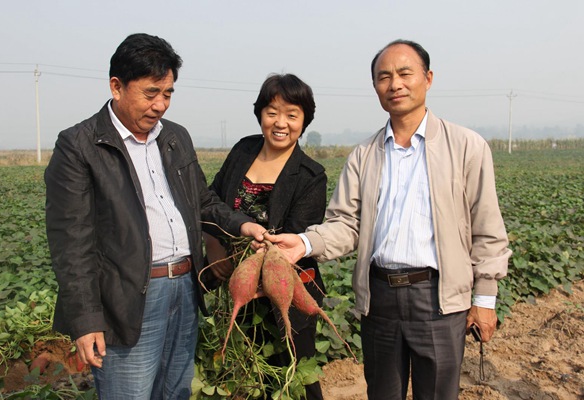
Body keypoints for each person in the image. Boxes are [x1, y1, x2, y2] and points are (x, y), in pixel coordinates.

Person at [263, 39, 512, 400]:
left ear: (428, 78)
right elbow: (346, 224)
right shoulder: (364, 154)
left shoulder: (466, 147)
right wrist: (303, 243)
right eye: (384, 77)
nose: (395, 84)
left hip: (439, 299)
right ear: (375, 87)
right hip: (379, 298)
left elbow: (487, 230)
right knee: (382, 393)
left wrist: (485, 299)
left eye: (404, 73)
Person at [44, 33, 265, 399]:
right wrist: (86, 320)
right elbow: (71, 243)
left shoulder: (175, 137)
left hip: (184, 288)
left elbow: (202, 200)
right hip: (128, 298)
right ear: (117, 87)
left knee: (175, 391)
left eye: (168, 93)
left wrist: (241, 224)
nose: (160, 105)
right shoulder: (79, 146)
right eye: (150, 93)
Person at [204, 73, 327, 399]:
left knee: (296, 378)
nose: (280, 123)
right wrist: (214, 248)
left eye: (292, 115)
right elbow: (210, 200)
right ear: (260, 113)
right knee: (245, 376)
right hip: (235, 286)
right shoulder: (243, 151)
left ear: (304, 120)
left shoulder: (311, 175)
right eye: (272, 112)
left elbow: (294, 239)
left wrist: (247, 264)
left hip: (287, 291)